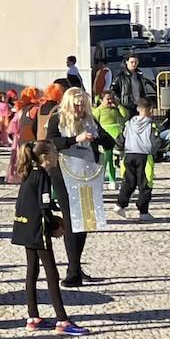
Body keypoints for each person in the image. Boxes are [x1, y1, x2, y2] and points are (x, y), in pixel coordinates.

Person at [12, 141, 88, 334]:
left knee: (32, 271)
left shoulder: (29, 173)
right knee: (52, 273)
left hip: (24, 227)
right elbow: (44, 206)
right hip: (39, 230)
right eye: (55, 152)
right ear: (45, 157)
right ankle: (62, 321)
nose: (58, 155)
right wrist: (55, 226)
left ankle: (32, 317)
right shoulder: (43, 176)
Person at [45, 87, 115, 287]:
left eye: (83, 104)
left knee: (84, 221)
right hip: (63, 172)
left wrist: (97, 137)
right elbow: (51, 141)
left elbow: (109, 142)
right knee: (71, 217)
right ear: (68, 104)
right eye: (76, 105)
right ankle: (73, 270)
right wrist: (75, 139)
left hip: (86, 172)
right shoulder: (58, 118)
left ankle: (75, 267)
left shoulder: (90, 119)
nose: (79, 108)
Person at [115, 98, 162, 219]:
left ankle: (120, 204)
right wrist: (156, 152)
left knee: (128, 181)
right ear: (151, 110)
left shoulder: (129, 123)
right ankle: (143, 212)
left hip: (129, 154)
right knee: (145, 183)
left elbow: (121, 138)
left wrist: (120, 150)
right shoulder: (152, 124)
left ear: (137, 109)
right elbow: (155, 141)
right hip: (145, 156)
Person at [93, 93, 127, 185]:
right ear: (101, 100)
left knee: (113, 161)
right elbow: (95, 124)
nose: (110, 101)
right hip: (105, 138)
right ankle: (101, 180)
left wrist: (118, 105)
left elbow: (125, 115)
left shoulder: (115, 109)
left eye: (111, 99)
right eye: (107, 99)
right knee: (105, 160)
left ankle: (113, 180)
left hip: (116, 137)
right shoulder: (98, 111)